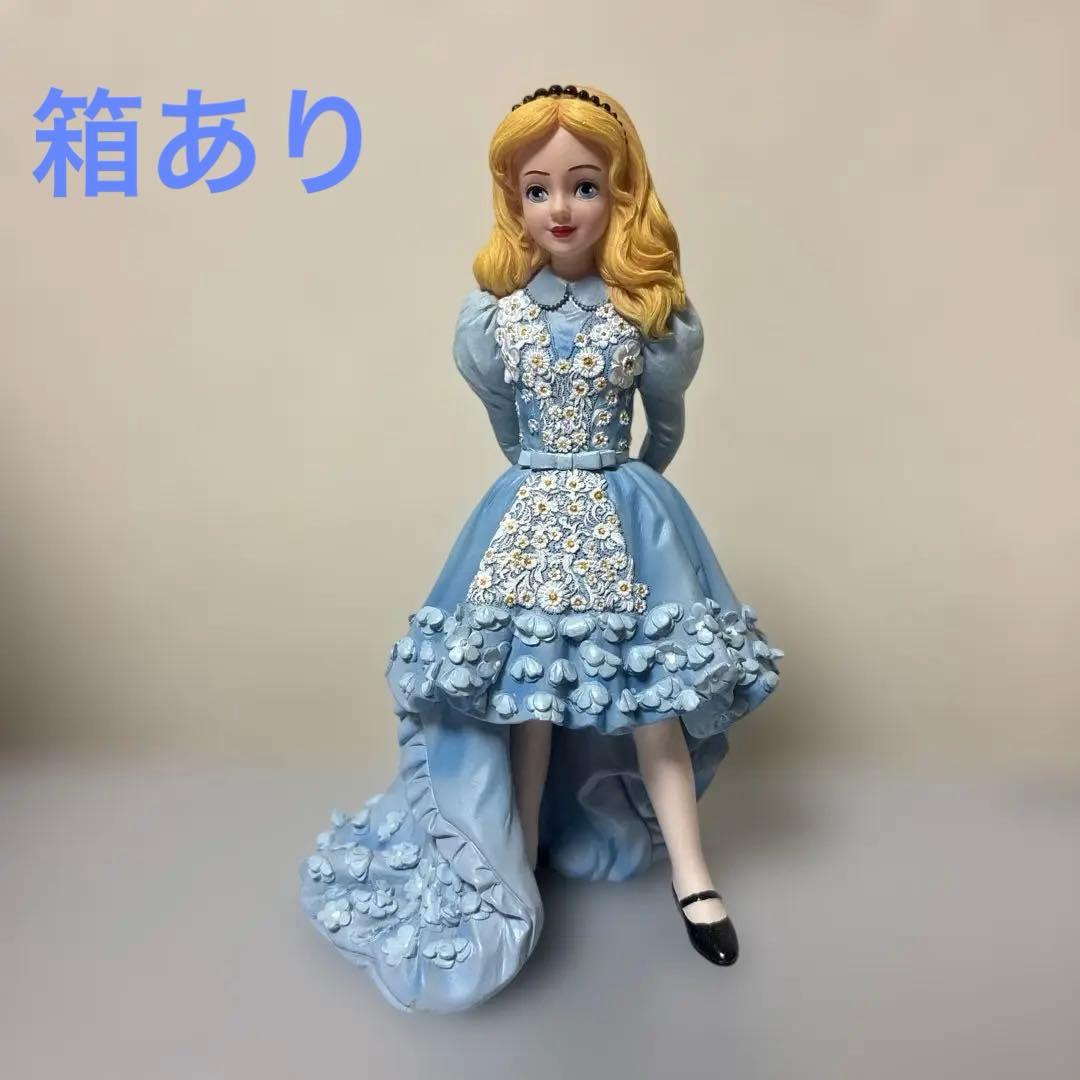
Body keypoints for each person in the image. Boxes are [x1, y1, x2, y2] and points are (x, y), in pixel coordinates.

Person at [298, 83, 784, 1014]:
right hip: (527, 517)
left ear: (620, 193)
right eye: (537, 189)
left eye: (584, 185)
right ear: (513, 200)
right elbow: (506, 426)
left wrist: (631, 492)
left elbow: (665, 427)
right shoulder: (494, 319)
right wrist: (545, 481)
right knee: (525, 700)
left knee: (655, 705)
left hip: (625, 512)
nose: (560, 207)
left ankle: (693, 876)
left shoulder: (650, 313)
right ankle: (512, 860)